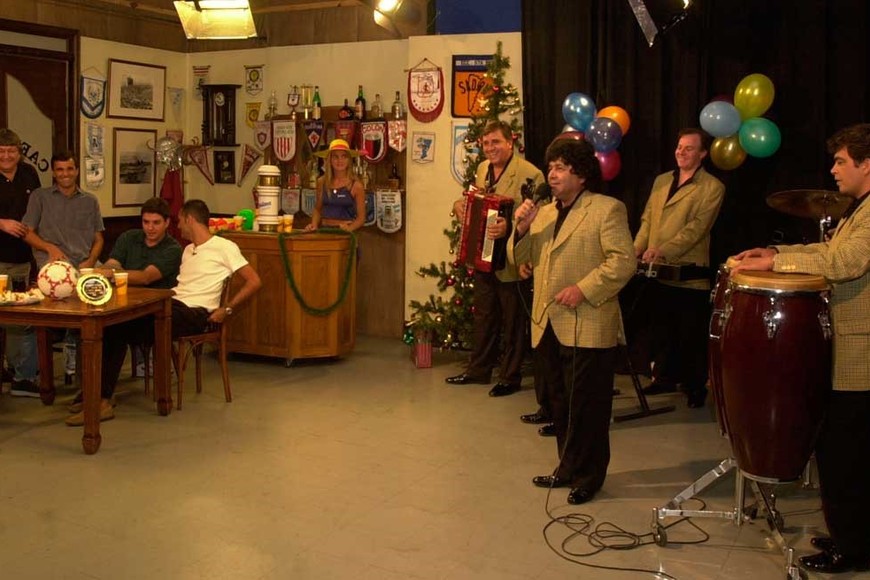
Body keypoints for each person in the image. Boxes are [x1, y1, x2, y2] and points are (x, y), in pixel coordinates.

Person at [732, 124, 870, 574]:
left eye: (841, 162)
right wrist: (774, 250)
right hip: (846, 348)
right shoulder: (859, 209)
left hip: (859, 354)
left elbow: (845, 263)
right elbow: (827, 249)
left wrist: (777, 262)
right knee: (839, 451)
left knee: (845, 453)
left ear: (867, 164)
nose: (833, 170)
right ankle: (850, 532)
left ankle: (854, 548)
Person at [509, 138, 635, 505]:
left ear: (581, 174)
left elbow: (623, 262)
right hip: (547, 320)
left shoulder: (606, 209)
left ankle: (589, 476)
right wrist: (520, 229)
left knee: (588, 405)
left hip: (588, 320)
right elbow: (522, 260)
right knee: (560, 402)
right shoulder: (544, 213)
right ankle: (565, 467)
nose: (552, 174)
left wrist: (583, 288)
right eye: (550, 167)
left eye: (561, 167)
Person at [65, 199, 262, 426]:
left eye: (179, 221)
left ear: (189, 219)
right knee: (113, 325)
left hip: (195, 313)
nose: (178, 226)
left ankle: (100, 400)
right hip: (173, 303)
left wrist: (226, 309)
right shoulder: (188, 250)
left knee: (120, 328)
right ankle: (97, 398)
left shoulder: (224, 247)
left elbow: (254, 281)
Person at [445, 120, 545, 399]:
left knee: (513, 321)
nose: (490, 148)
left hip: (514, 256)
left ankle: (510, 377)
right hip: (485, 253)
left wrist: (509, 228)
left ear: (510, 142)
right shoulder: (482, 169)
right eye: (486, 143)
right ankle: (478, 370)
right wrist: (459, 206)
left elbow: (543, 217)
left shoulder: (530, 174)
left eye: (496, 142)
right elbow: (479, 202)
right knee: (485, 315)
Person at [633, 128, 725, 408]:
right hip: (655, 270)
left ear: (702, 154)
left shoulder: (713, 187)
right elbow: (648, 218)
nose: (681, 152)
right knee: (661, 328)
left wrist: (663, 251)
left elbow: (697, 229)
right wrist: (635, 249)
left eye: (688, 148)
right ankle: (663, 378)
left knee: (689, 332)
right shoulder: (662, 181)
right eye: (679, 147)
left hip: (688, 271)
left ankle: (694, 386)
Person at [66, 197, 182, 414]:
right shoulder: (130, 237)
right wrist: (104, 270)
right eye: (146, 222)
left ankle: (101, 398)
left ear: (167, 223)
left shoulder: (172, 248)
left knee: (115, 331)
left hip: (154, 313)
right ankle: (91, 392)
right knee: (92, 327)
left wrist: (112, 273)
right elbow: (113, 262)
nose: (150, 227)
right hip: (121, 303)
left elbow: (147, 277)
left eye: (156, 222)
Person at [21, 150, 104, 395]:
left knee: (97, 313)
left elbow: (98, 238)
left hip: (83, 266)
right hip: (52, 269)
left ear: (77, 171)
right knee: (46, 322)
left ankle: (87, 376)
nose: (65, 174)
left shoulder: (90, 201)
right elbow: (27, 232)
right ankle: (47, 379)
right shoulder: (40, 197)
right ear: (53, 172)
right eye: (60, 170)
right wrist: (49, 248)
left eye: (69, 169)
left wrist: (91, 260)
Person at [0, 128, 41, 395]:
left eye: (11, 151)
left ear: (19, 152)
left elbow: (38, 209)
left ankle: (23, 377)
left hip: (22, 258)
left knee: (20, 318)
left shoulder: (29, 174)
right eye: (1, 151)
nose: (6, 156)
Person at [305, 139, 366, 232]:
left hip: (345, 234)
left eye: (344, 156)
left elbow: (361, 218)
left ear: (349, 160)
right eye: (335, 157)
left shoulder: (356, 186)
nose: (339, 160)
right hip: (324, 231)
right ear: (330, 160)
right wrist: (314, 225)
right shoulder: (322, 182)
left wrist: (349, 229)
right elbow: (317, 209)